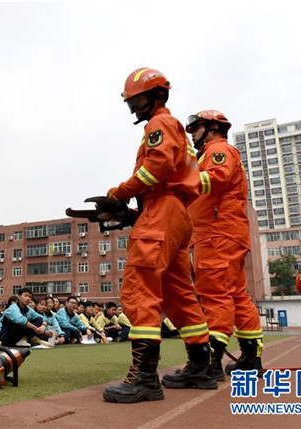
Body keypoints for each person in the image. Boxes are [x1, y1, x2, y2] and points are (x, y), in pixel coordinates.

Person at [103, 67, 215, 404]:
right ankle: (200, 367)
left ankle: (144, 378)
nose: (134, 109)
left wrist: (120, 192)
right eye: (131, 103)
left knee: (139, 288)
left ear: (157, 96)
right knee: (178, 294)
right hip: (177, 214)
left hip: (162, 210)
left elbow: (158, 167)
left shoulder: (160, 124)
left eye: (138, 101)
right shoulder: (175, 128)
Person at [184, 110, 264, 380]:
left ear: (212, 129)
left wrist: (181, 181)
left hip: (217, 234)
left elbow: (215, 179)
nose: (192, 135)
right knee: (237, 296)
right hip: (228, 233)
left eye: (195, 129)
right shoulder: (215, 153)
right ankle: (251, 358)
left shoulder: (218, 150)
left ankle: (211, 364)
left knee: (214, 294)